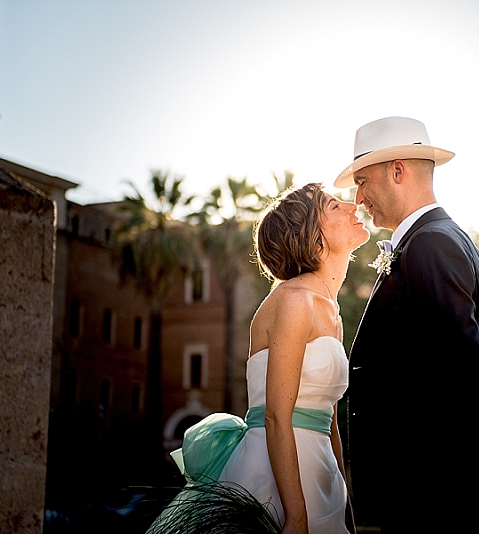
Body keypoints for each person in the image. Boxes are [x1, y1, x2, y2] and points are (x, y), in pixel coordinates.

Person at [332, 117, 479, 532]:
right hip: (439, 490)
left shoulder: (430, 245)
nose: (358, 197)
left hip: (431, 495)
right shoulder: (442, 239)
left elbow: (464, 363)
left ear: (397, 171)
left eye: (362, 181)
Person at [148, 183, 369, 534]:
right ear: (313, 237)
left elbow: (328, 418)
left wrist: (346, 504)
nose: (351, 205)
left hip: (321, 474)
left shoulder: (331, 311)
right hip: (277, 479)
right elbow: (276, 415)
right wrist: (295, 516)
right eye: (333, 205)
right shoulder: (295, 300)